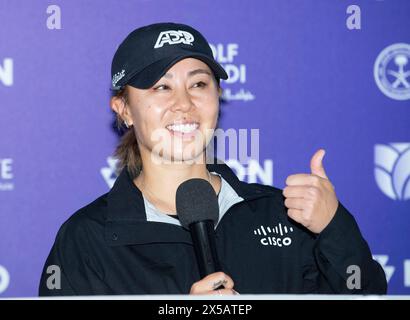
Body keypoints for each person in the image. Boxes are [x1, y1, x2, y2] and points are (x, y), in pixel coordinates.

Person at [39, 22, 387, 296]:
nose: (184, 104)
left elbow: (366, 295)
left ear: (218, 97)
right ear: (124, 109)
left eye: (199, 84)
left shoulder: (284, 215)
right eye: (161, 87)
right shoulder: (87, 238)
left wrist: (335, 227)